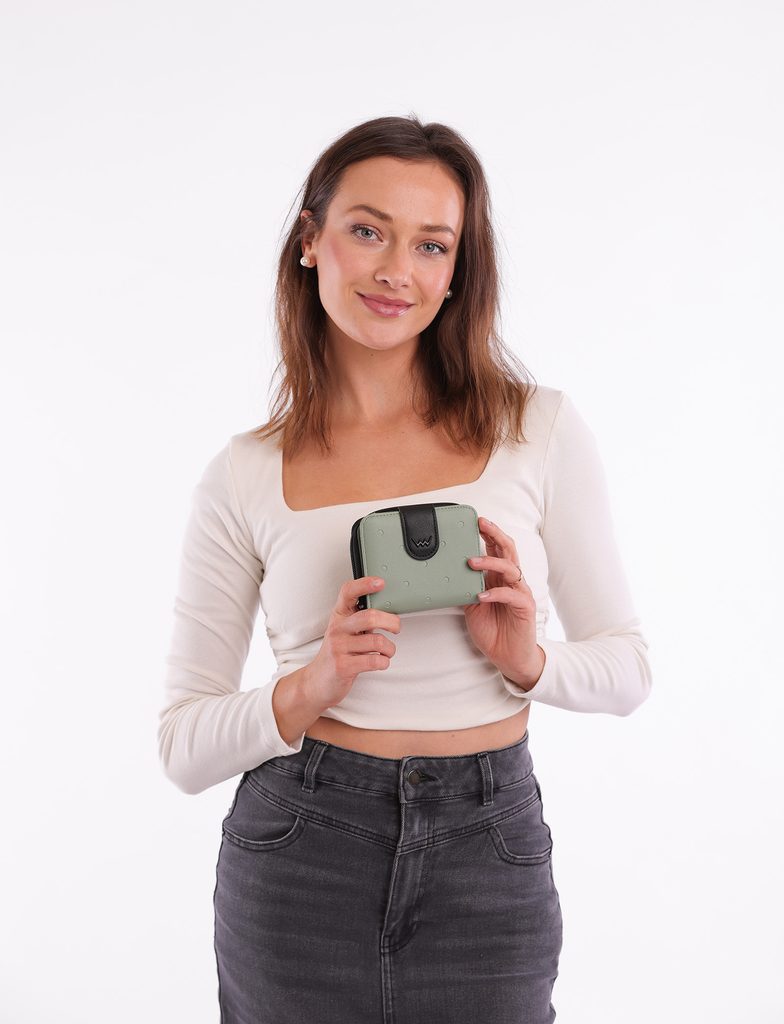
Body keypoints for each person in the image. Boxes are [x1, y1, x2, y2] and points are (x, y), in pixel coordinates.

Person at [158, 114, 652, 1024]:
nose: (397, 270)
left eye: (432, 244)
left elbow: (628, 669)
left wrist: (528, 659)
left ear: (458, 270)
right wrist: (314, 682)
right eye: (367, 230)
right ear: (310, 240)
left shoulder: (537, 429)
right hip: (300, 853)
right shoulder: (244, 473)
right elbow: (183, 748)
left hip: (490, 854)